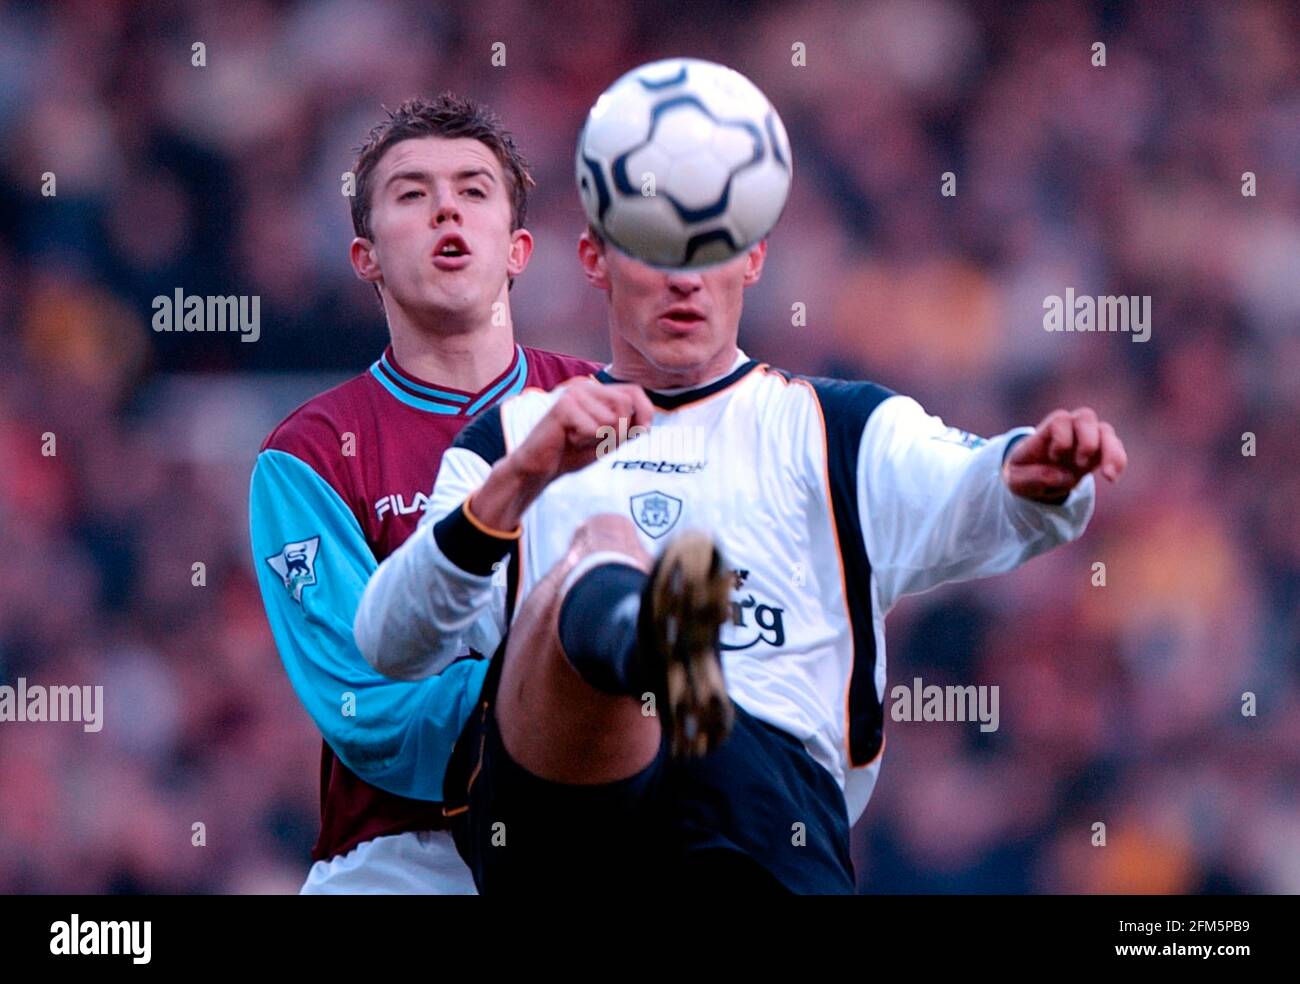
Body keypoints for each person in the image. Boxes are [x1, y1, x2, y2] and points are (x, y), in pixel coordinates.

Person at [354, 225, 1128, 894]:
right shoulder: (515, 436)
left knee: (632, 595)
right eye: (654, 251)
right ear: (594, 258)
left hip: (763, 813)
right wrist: (522, 477)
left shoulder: (840, 425)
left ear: (754, 259)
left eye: (710, 251)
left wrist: (1035, 476)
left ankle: (662, 648)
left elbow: (977, 493)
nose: (684, 279)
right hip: (568, 825)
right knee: (603, 545)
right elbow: (390, 642)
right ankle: (652, 642)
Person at [249, 94, 597, 894]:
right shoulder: (306, 456)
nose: (447, 206)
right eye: (412, 193)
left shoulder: (604, 407)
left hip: (596, 843)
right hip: (401, 860)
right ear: (364, 257)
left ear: (517, 249)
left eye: (474, 190)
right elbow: (364, 709)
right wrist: (574, 676)